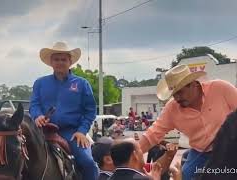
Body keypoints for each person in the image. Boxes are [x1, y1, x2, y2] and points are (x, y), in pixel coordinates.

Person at [138, 64, 237, 180]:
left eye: (180, 92)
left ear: (193, 84)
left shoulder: (221, 89)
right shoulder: (172, 109)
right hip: (201, 153)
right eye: (174, 94)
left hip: (232, 148)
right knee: (184, 177)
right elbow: (152, 134)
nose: (177, 98)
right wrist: (130, 155)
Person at [29, 42, 99, 179]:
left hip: (72, 132)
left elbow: (90, 111)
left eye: (63, 59)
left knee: (89, 163)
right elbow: (34, 105)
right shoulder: (40, 83)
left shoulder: (82, 84)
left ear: (70, 61)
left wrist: (82, 131)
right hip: (42, 131)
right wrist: (37, 116)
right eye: (56, 59)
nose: (60, 62)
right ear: (51, 62)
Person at [109, 138, 177, 180]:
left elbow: (156, 168)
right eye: (140, 149)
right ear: (134, 155)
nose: (142, 153)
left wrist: (169, 155)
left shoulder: (109, 178)